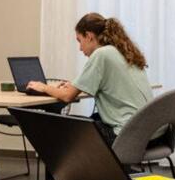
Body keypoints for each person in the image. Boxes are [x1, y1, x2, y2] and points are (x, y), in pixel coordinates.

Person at [27, 13, 154, 145]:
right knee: (89, 120)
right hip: (150, 132)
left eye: (79, 40)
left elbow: (67, 96)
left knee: (64, 126)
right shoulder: (123, 52)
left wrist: (43, 87)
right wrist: (77, 85)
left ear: (89, 36)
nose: (80, 48)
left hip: (128, 136)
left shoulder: (101, 54)